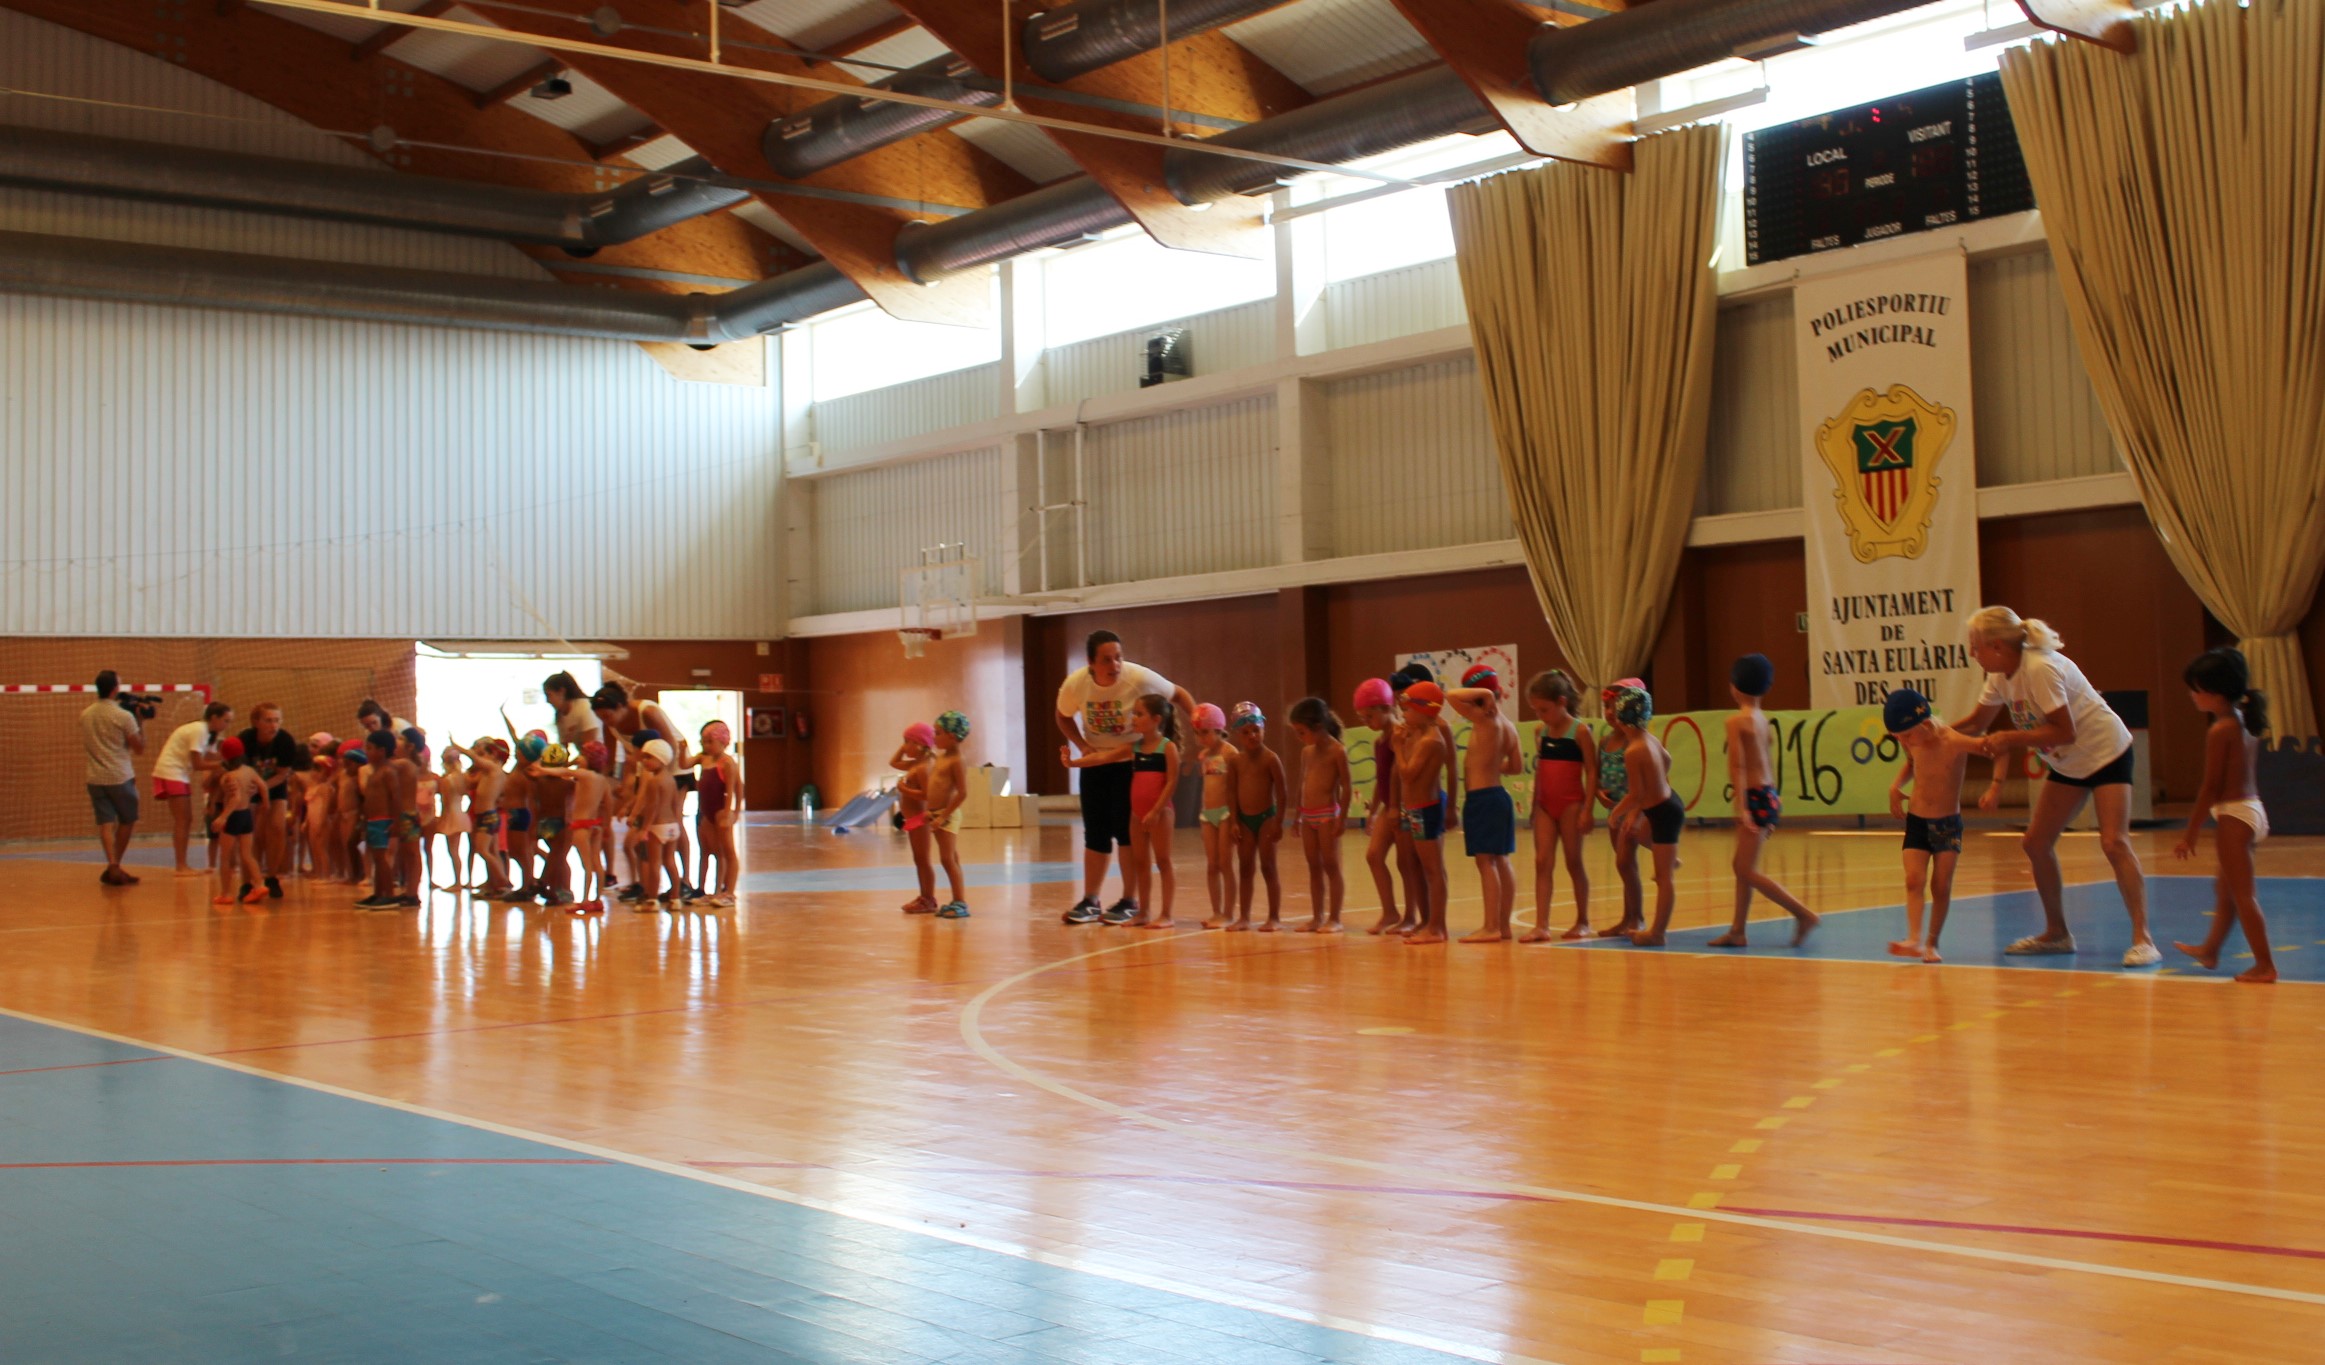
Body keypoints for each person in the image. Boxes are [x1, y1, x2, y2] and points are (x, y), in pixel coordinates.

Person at [1954, 606, 2158, 967]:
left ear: (1997, 646)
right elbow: (1976, 722)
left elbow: (2065, 731)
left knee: (2114, 842)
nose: (1972, 653)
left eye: (1976, 645)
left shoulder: (2040, 668)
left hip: (2106, 753)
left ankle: (2144, 939)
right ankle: (2057, 933)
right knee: (2035, 842)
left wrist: (2010, 738)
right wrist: (1931, 733)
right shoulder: (1999, 676)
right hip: (2069, 764)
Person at [1056, 631, 1197, 926]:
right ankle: (1091, 899)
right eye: (1107, 660)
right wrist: (1081, 746)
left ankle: (1129, 900)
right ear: (1091, 662)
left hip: (1132, 763)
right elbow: (1062, 716)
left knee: (1126, 832)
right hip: (1097, 761)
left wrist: (1202, 728)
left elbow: (1179, 695)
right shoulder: (1075, 685)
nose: (1115, 665)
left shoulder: (1139, 678)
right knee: (1095, 833)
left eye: (1118, 657)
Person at [2170, 648, 2276, 983]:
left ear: (2213, 693)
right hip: (2251, 811)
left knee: (2243, 895)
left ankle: (2265, 965)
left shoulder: (2220, 730)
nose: (2192, 695)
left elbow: (2210, 788)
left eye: (2195, 689)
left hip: (2235, 816)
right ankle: (2211, 950)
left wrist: (2190, 832)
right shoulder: (2243, 720)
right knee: (2226, 890)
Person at [1711, 654, 1819, 949]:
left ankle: (1803, 914)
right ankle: (1737, 930)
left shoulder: (1736, 721)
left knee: (1744, 869)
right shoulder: (1762, 719)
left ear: (1734, 686)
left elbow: (1738, 765)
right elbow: (1768, 761)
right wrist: (1773, 801)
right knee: (1744, 866)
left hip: (1754, 796)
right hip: (1769, 794)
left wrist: (1742, 807)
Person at [1062, 695, 1181, 929]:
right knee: (1141, 862)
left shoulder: (1167, 748)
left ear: (1156, 719)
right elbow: (1102, 757)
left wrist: (1156, 810)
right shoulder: (1134, 748)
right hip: (1137, 814)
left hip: (1160, 814)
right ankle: (1143, 912)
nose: (1133, 718)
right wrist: (1073, 763)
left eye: (1139, 714)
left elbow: (1171, 783)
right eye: (1133, 713)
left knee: (1163, 861)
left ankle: (1166, 914)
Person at [1884, 688, 1969, 963]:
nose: (1902, 741)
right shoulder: (1910, 740)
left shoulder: (1953, 740)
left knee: (1941, 885)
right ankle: (1914, 939)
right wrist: (1896, 786)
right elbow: (1911, 762)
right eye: (1897, 736)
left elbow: (1993, 748)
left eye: (1905, 735)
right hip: (1917, 820)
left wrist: (1996, 785)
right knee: (1913, 880)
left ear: (1924, 724)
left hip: (1947, 825)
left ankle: (1932, 942)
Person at [592, 684, 695, 896]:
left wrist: (657, 779)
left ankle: (684, 880)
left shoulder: (646, 711)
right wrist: (606, 785)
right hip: (648, 768)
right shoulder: (609, 725)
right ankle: (645, 883)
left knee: (672, 820)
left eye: (608, 716)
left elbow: (670, 747)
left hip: (673, 766)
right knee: (644, 824)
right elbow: (610, 762)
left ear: (621, 706)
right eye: (600, 717)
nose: (606, 721)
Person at [1448, 668, 1523, 944]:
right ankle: (1503, 925)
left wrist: (1484, 694)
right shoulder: (1509, 726)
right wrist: (1491, 765)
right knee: (1501, 859)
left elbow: (1450, 695)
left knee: (1485, 861)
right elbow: (1516, 767)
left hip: (1483, 798)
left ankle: (1490, 926)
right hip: (1499, 796)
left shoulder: (1483, 718)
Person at [1608, 686, 1684, 947]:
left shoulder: (1633, 751)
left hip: (1663, 812)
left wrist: (1617, 812)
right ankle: (1672, 860)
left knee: (1663, 878)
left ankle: (1657, 932)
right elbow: (1668, 759)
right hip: (1667, 802)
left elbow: (1636, 794)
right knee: (1636, 833)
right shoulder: (1649, 739)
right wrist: (1658, 781)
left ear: (1621, 719)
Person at [1524, 671, 1595, 941]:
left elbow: (1592, 771)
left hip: (1571, 805)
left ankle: (1583, 920)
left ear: (1561, 702)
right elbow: (1541, 769)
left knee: (1574, 861)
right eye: (1536, 710)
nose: (1540, 715)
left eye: (1544, 709)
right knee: (1542, 862)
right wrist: (1534, 805)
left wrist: (1587, 809)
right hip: (1545, 805)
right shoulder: (1540, 732)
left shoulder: (1580, 732)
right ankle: (1541, 924)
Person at [1285, 697, 1351, 935]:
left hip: (1327, 815)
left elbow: (1346, 787)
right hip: (1308, 816)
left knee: (1331, 865)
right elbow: (1302, 784)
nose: (1299, 737)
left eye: (1301, 732)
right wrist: (1298, 816)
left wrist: (1342, 819)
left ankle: (1335, 918)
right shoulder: (1307, 752)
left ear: (1319, 727)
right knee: (1314, 866)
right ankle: (1316, 917)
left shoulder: (1338, 751)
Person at [1222, 702, 1288, 932]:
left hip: (1266, 818)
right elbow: (1231, 792)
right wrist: (1233, 821)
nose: (1252, 736)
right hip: (1244, 821)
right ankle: (1244, 917)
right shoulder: (1235, 761)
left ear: (1263, 729)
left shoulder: (1271, 758)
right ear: (1237, 734)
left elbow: (1282, 792)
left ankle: (1274, 917)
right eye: (1246, 732)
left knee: (1268, 867)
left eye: (1256, 730)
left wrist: (1278, 821)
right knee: (1245, 867)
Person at [1394, 682, 1452, 945]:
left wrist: (1397, 746)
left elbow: (1407, 774)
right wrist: (1404, 741)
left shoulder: (1431, 740)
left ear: (1424, 710)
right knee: (1421, 867)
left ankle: (1437, 927)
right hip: (1414, 809)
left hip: (1426, 809)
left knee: (1433, 869)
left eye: (1407, 709)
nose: (1403, 714)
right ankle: (1428, 922)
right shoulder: (1418, 734)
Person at [80, 670, 148, 887]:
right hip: (119, 776)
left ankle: (112, 865)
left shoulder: (86, 714)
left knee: (105, 823)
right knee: (127, 819)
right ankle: (115, 866)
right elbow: (139, 748)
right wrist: (140, 721)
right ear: (115, 689)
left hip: (95, 776)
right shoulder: (123, 716)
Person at [1349, 680, 1406, 936]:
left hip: (1402, 806)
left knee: (1407, 863)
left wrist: (1394, 806)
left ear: (1386, 707)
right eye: (1362, 718)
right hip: (1388, 807)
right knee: (1373, 856)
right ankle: (1390, 911)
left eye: (1369, 716)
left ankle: (1413, 915)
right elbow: (1381, 778)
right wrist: (1372, 811)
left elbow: (1399, 775)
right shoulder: (1380, 741)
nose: (1366, 722)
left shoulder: (1400, 735)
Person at [236, 702, 307, 899]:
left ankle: (272, 876)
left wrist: (263, 787)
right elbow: (239, 770)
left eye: (277, 720)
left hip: (274, 785)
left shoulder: (285, 741)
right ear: (256, 722)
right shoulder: (245, 739)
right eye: (268, 721)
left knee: (277, 827)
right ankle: (248, 881)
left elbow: (282, 774)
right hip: (249, 786)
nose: (273, 725)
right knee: (248, 833)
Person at [153, 701, 232, 877]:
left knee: (185, 819)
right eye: (226, 721)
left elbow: (211, 755)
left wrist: (233, 758)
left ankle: (182, 864)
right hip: (171, 772)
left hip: (177, 773)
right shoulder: (199, 730)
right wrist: (223, 765)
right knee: (183, 819)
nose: (227, 725)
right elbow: (198, 764)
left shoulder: (207, 733)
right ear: (214, 718)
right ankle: (181, 866)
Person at [1596, 677, 1648, 939]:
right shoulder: (1604, 742)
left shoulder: (1636, 743)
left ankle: (1637, 917)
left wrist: (1636, 812)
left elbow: (1646, 782)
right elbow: (1598, 776)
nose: (1609, 713)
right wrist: (1599, 793)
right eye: (1606, 707)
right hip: (1614, 812)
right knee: (1623, 865)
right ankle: (1627, 917)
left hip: (1632, 811)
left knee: (1626, 863)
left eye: (1615, 707)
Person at [1188, 704, 1235, 929]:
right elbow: (1207, 786)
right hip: (1208, 814)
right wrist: (1201, 812)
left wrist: (1236, 818)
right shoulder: (1203, 756)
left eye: (1205, 732)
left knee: (1225, 864)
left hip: (1225, 813)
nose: (1201, 738)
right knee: (1212, 865)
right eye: (1197, 733)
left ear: (1218, 729)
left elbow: (1235, 786)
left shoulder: (1229, 753)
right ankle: (1216, 911)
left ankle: (1228, 913)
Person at [208, 737, 265, 906]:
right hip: (246, 815)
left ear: (224, 756)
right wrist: (266, 804)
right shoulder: (249, 770)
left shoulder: (230, 776)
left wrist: (223, 816)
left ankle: (225, 894)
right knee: (247, 854)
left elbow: (235, 797)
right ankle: (259, 885)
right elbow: (262, 786)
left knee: (225, 857)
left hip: (233, 816)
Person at [926, 712, 973, 919]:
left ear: (952, 736)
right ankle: (957, 900)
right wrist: (930, 812)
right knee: (951, 857)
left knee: (947, 859)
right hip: (936, 813)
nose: (934, 737)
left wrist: (943, 816)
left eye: (938, 733)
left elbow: (962, 793)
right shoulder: (942, 757)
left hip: (947, 815)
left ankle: (960, 902)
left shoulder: (957, 760)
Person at [629, 738, 683, 912]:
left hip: (657, 827)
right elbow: (675, 804)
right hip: (672, 826)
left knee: (654, 864)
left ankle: (652, 900)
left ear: (661, 758)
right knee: (670, 861)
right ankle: (675, 898)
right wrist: (678, 824)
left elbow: (652, 807)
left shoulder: (654, 781)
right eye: (644, 757)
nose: (644, 761)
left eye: (649, 757)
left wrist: (645, 828)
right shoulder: (671, 780)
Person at [693, 720, 742, 908]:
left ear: (722, 742)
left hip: (721, 813)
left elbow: (734, 790)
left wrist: (732, 813)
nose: (706, 746)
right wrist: (682, 749)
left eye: (709, 742)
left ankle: (729, 892)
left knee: (728, 852)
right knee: (713, 851)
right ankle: (713, 891)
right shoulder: (706, 760)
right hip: (707, 814)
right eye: (703, 742)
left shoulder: (728, 763)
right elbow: (684, 763)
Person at [893, 724, 939, 914]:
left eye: (907, 742)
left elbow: (928, 795)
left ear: (919, 744)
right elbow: (894, 762)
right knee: (918, 859)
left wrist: (905, 790)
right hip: (912, 818)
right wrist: (904, 747)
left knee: (923, 860)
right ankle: (924, 896)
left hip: (920, 818)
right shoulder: (915, 764)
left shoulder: (923, 767)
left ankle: (928, 898)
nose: (904, 747)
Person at [565, 741, 615, 908]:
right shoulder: (602, 780)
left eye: (582, 755)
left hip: (581, 825)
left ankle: (585, 900)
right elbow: (609, 804)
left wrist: (541, 769)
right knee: (597, 863)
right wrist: (607, 826)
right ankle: (597, 899)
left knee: (586, 865)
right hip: (596, 824)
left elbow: (563, 771)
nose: (579, 758)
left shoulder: (584, 775)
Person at [430, 746, 473, 891]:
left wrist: (442, 819)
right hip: (460, 813)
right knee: (457, 850)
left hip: (451, 815)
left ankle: (457, 882)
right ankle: (459, 881)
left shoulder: (447, 780)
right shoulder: (463, 777)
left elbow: (446, 802)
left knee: (453, 850)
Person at [544, 671, 601, 750]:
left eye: (549, 695)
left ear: (561, 691)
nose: (547, 701)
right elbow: (563, 749)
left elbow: (590, 747)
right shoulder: (560, 716)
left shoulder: (584, 707)